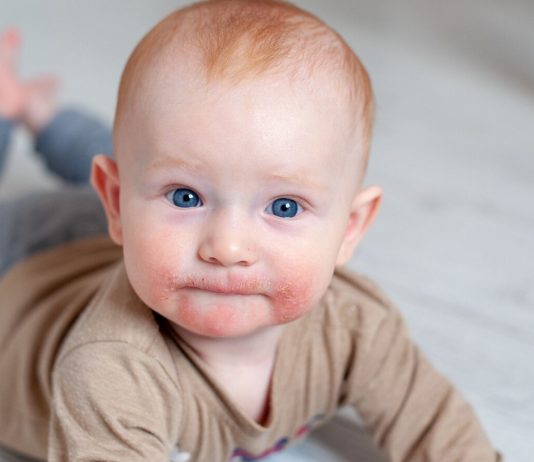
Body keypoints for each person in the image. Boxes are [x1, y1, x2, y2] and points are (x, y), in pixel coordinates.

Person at [0, 1, 500, 461]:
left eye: (284, 206)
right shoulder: (110, 371)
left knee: (156, 159)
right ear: (117, 204)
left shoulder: (356, 329)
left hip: (112, 239)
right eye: (186, 197)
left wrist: (176, 199)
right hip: (19, 273)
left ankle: (41, 113)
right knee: (147, 155)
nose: (228, 247)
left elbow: (443, 434)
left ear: (350, 228)